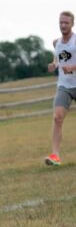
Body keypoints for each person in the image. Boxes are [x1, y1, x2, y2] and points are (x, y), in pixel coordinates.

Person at [45, 11, 76, 166]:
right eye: (61, 22)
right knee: (57, 118)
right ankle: (55, 156)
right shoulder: (56, 43)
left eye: (66, 23)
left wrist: (73, 67)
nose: (63, 25)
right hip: (64, 86)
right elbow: (60, 58)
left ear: (72, 24)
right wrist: (54, 65)